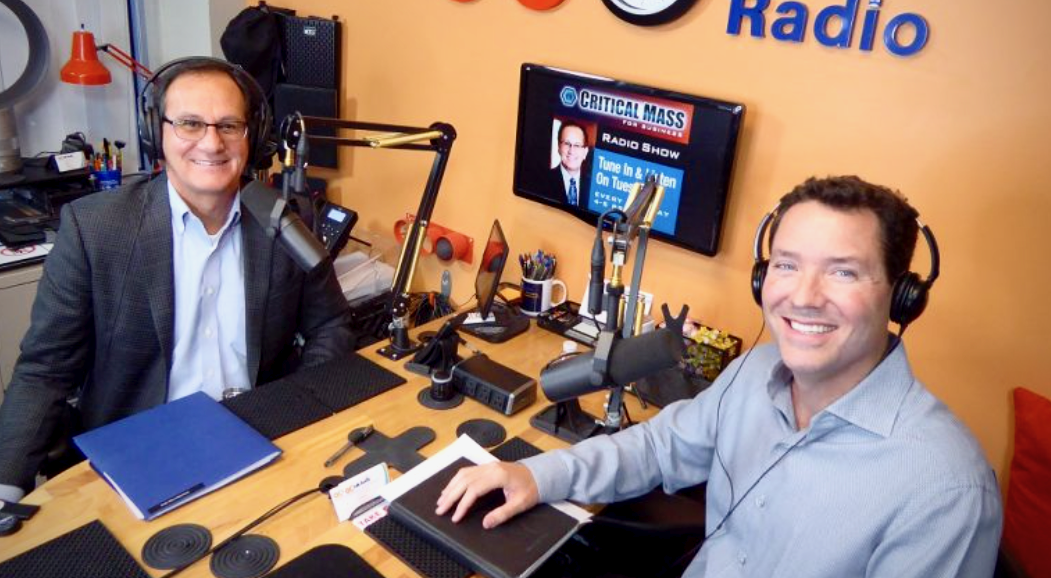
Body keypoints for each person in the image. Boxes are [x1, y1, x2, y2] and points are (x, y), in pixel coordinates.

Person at [437, 175, 1003, 577]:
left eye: (844, 273)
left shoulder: (944, 489)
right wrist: (538, 475)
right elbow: (658, 448)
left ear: (902, 297)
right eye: (786, 264)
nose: (804, 297)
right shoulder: (756, 370)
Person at [0, 58, 355, 501]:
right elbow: (45, 370)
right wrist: (6, 488)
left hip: (262, 443)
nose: (212, 142)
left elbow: (331, 325)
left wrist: (298, 408)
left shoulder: (285, 219)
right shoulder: (94, 229)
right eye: (190, 123)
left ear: (253, 136)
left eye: (229, 125)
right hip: (139, 458)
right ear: (156, 132)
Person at [538, 120, 591, 207]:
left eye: (577, 145)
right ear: (559, 147)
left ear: (585, 152)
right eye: (567, 143)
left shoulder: (592, 186)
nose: (571, 151)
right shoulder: (542, 180)